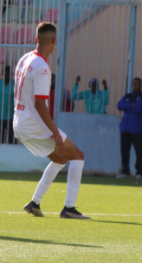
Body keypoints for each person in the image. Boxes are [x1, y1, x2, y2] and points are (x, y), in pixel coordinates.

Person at [15, 22, 89, 219]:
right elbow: (40, 105)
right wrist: (55, 132)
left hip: (19, 122)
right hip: (33, 123)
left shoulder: (25, 59)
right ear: (54, 42)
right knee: (78, 156)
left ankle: (34, 203)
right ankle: (69, 208)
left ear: (36, 39)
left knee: (60, 158)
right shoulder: (43, 67)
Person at [116, 77, 142, 180]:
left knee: (139, 152)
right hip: (125, 128)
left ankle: (139, 172)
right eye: (134, 84)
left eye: (138, 84)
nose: (136, 86)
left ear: (141, 85)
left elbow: (139, 108)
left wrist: (127, 107)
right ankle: (125, 171)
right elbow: (119, 106)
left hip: (137, 129)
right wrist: (131, 105)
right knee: (124, 151)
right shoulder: (128, 96)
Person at [0, 65, 14, 144]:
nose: (6, 75)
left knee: (11, 139)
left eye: (7, 73)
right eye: (4, 73)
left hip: (10, 116)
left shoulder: (14, 85)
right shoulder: (0, 83)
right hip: (0, 116)